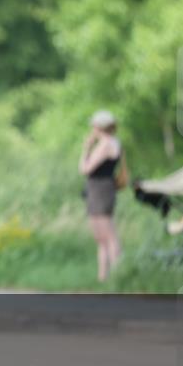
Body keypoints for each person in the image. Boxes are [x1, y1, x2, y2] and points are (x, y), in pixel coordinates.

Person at [79, 109, 124, 282]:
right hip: (98, 189)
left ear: (99, 126)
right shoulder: (113, 142)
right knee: (101, 237)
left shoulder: (106, 144)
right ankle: (103, 277)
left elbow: (85, 168)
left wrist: (86, 148)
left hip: (101, 189)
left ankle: (117, 276)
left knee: (108, 234)